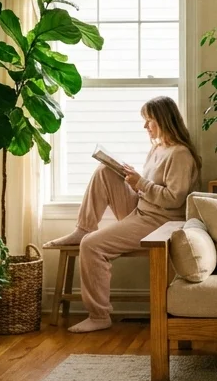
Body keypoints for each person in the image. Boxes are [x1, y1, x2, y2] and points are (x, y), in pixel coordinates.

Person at [43, 96, 201, 333]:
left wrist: (141, 183)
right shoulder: (158, 148)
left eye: (149, 121)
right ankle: (83, 228)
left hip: (160, 220)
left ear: (163, 120)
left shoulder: (180, 154)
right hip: (141, 208)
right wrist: (132, 177)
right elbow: (149, 187)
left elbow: (174, 200)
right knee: (105, 170)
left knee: (92, 246)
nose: (145, 126)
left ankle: (99, 315)